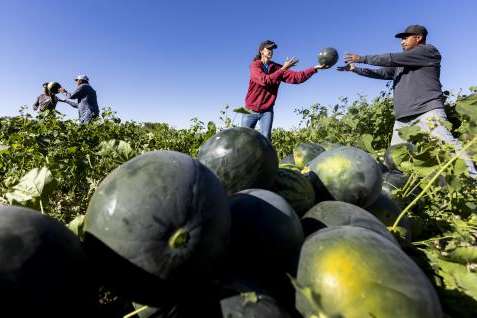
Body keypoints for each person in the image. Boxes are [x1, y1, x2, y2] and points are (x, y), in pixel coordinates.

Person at [338, 25, 477, 177]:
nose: (402, 42)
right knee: (395, 161)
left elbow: (390, 58)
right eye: (401, 39)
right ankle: (398, 191)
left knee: (448, 148)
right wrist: (355, 69)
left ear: (418, 38)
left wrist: (362, 58)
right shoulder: (402, 62)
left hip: (427, 112)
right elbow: (383, 73)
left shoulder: (428, 52)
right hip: (403, 120)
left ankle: (472, 181)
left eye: (405, 38)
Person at [243, 40, 329, 140]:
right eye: (268, 49)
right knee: (243, 138)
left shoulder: (277, 68)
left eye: (272, 49)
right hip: (250, 109)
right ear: (261, 51)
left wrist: (314, 68)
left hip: (267, 111)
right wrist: (283, 69)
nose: (271, 51)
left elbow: (297, 77)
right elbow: (264, 80)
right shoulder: (255, 65)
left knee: (266, 140)